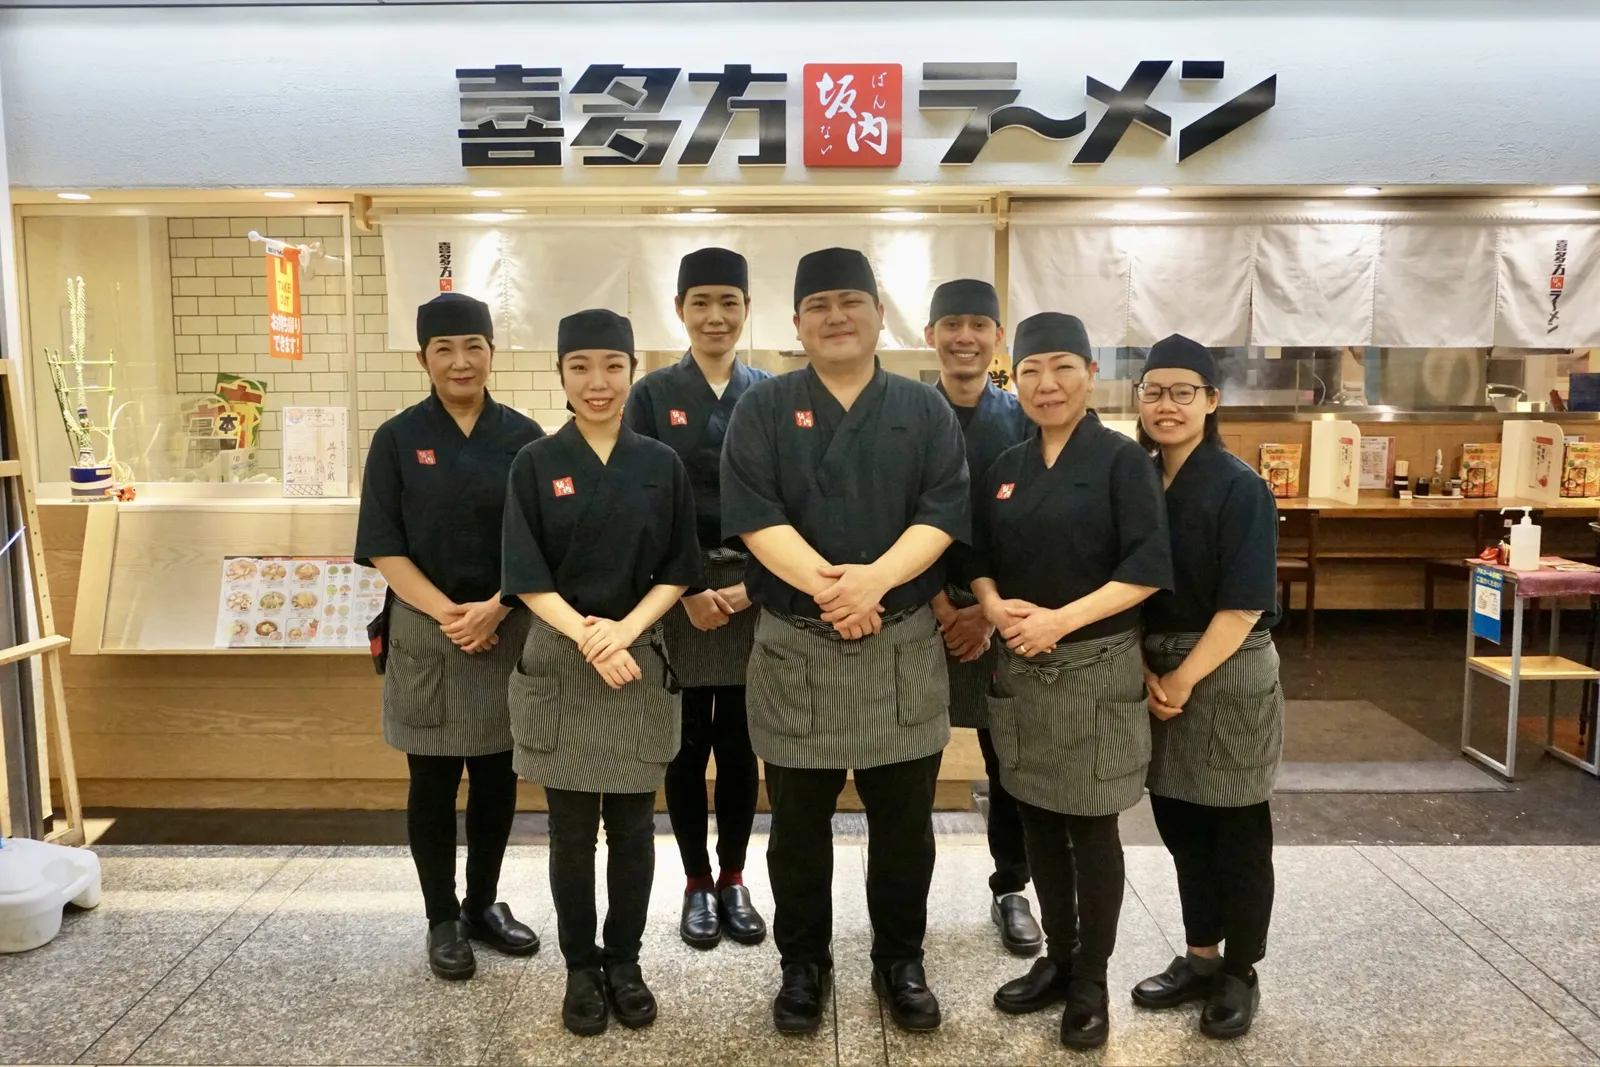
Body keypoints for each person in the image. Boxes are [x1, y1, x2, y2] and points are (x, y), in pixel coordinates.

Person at [721, 248, 969, 1035]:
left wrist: (872, 586)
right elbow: (756, 516)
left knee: (905, 822)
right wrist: (838, 592)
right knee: (796, 825)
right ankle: (804, 963)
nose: (835, 316)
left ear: (879, 315)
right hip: (797, 645)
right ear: (796, 322)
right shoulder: (763, 409)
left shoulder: (924, 409)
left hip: (900, 643)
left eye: (850, 301)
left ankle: (900, 958)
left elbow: (940, 513)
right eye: (818, 303)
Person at [966, 312, 1173, 1050]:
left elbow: (1146, 569)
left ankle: (1091, 980)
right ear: (1012, 378)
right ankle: (1057, 959)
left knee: (1090, 824)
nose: (1045, 384)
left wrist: (1060, 620)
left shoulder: (1123, 462)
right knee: (1037, 817)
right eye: (1030, 370)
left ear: (1090, 373)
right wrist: (991, 606)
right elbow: (978, 557)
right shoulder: (1005, 466)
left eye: (1061, 367)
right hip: (1021, 666)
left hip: (1094, 664)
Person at [501, 309, 703, 1037]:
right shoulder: (534, 463)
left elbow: (680, 568)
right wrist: (591, 635)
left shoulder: (660, 463)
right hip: (563, 654)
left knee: (634, 826)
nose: (598, 382)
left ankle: (626, 960)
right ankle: (580, 967)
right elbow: (524, 574)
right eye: (581, 366)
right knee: (569, 829)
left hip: (636, 653)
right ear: (560, 374)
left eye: (612, 366)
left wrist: (624, 630)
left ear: (631, 371)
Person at [354, 292, 544, 981]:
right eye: (444, 349)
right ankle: (441, 917)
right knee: (432, 780)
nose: (461, 361)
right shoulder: (398, 439)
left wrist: (494, 607)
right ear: (422, 358)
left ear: (493, 352)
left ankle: (482, 903)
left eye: (473, 346)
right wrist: (451, 614)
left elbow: (540, 543)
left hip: (505, 625)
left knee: (497, 775)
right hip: (427, 632)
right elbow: (383, 545)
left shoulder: (527, 438)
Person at [1130, 334, 1282, 1041]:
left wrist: (1183, 677)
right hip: (1154, 667)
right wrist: (1145, 670)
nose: (1167, 404)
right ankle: (1199, 955)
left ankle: (1239, 969)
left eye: (1183, 391)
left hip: (1226, 669)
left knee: (1238, 828)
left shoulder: (1240, 485)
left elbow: (1245, 602)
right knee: (1182, 823)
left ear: (1211, 400)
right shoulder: (1133, 477)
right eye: (1154, 390)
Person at [625, 247, 772, 951]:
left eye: (729, 302)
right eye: (701, 302)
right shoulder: (651, 394)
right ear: (679, 310)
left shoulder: (769, 392)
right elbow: (642, 499)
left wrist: (748, 589)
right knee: (684, 747)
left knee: (742, 745)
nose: (716, 316)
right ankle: (693, 881)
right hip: (677, 593)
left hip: (753, 590)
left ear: (747, 310)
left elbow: (786, 503)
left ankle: (735, 875)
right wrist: (684, 589)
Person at [923, 278, 1041, 958]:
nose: (964, 335)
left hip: (1004, 618)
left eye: (978, 323)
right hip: (923, 615)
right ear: (931, 333)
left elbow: (1039, 526)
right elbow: (896, 517)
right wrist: (944, 605)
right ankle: (904, 894)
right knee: (908, 760)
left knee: (1010, 761)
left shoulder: (1024, 416)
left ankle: (1012, 887)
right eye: (951, 323)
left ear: (998, 335)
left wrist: (988, 618)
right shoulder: (906, 412)